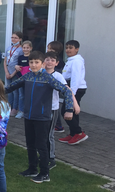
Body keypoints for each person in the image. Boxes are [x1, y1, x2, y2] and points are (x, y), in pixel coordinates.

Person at [5, 51, 76, 184]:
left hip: (43, 117)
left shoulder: (48, 78)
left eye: (36, 62)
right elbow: (10, 87)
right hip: (29, 116)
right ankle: (32, 169)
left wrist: (69, 109)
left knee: (41, 145)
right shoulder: (27, 76)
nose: (33, 65)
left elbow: (66, 90)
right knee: (30, 144)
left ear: (42, 64)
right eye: (31, 62)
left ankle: (44, 173)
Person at [44, 52, 80, 170]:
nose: (49, 62)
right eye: (47, 59)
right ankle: (43, 154)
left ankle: (51, 157)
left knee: (49, 135)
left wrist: (73, 105)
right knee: (41, 134)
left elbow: (67, 90)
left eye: (52, 60)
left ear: (57, 63)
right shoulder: (40, 74)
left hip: (52, 108)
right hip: (40, 109)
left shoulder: (58, 76)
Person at [59, 40, 88, 145]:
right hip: (70, 88)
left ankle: (79, 133)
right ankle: (72, 134)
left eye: (70, 48)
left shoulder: (76, 61)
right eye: (66, 48)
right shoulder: (71, 60)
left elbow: (76, 77)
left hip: (75, 89)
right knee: (74, 113)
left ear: (77, 49)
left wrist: (72, 93)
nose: (68, 50)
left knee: (65, 112)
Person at [47, 41, 65, 133]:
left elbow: (66, 90)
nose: (48, 50)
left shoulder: (58, 74)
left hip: (53, 100)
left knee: (54, 108)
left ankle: (58, 125)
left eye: (50, 48)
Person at [4, 32, 23, 118]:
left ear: (20, 39)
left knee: (16, 92)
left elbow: (20, 64)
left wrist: (12, 74)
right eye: (12, 37)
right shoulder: (9, 48)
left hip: (15, 73)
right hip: (8, 72)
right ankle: (9, 106)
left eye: (15, 38)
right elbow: (5, 61)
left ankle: (15, 108)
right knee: (9, 90)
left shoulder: (21, 50)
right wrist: (6, 72)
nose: (13, 39)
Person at [13, 40, 32, 119]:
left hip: (30, 80)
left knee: (29, 95)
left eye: (27, 47)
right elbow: (19, 68)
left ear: (31, 48)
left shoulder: (32, 57)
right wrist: (16, 67)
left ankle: (29, 111)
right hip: (21, 79)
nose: (25, 49)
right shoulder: (20, 57)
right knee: (21, 95)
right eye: (24, 47)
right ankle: (21, 111)